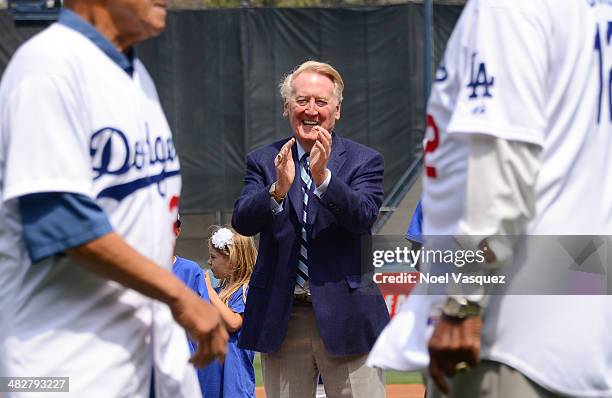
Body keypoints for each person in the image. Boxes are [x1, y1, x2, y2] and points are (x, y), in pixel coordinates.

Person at [0, 1, 227, 397]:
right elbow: (61, 222)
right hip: (64, 363)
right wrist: (179, 295)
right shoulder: (46, 67)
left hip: (150, 354)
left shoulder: (135, 74)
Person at [421, 1, 612, 397]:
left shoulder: (507, 7)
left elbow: (502, 165)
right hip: (586, 334)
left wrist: (463, 301)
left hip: (509, 338)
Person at [232, 60, 389, 398]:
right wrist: (277, 189)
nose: (311, 110)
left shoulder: (364, 160)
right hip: (283, 318)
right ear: (287, 107)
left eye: (321, 102)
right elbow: (242, 221)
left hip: (348, 315)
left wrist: (324, 180)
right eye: (302, 100)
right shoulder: (264, 160)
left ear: (337, 110)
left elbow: (362, 216)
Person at [202, 226, 257, 398]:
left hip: (235, 384)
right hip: (213, 378)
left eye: (213, 257)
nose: (209, 262)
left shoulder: (246, 291)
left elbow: (233, 323)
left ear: (232, 259)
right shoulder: (219, 292)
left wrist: (209, 293)